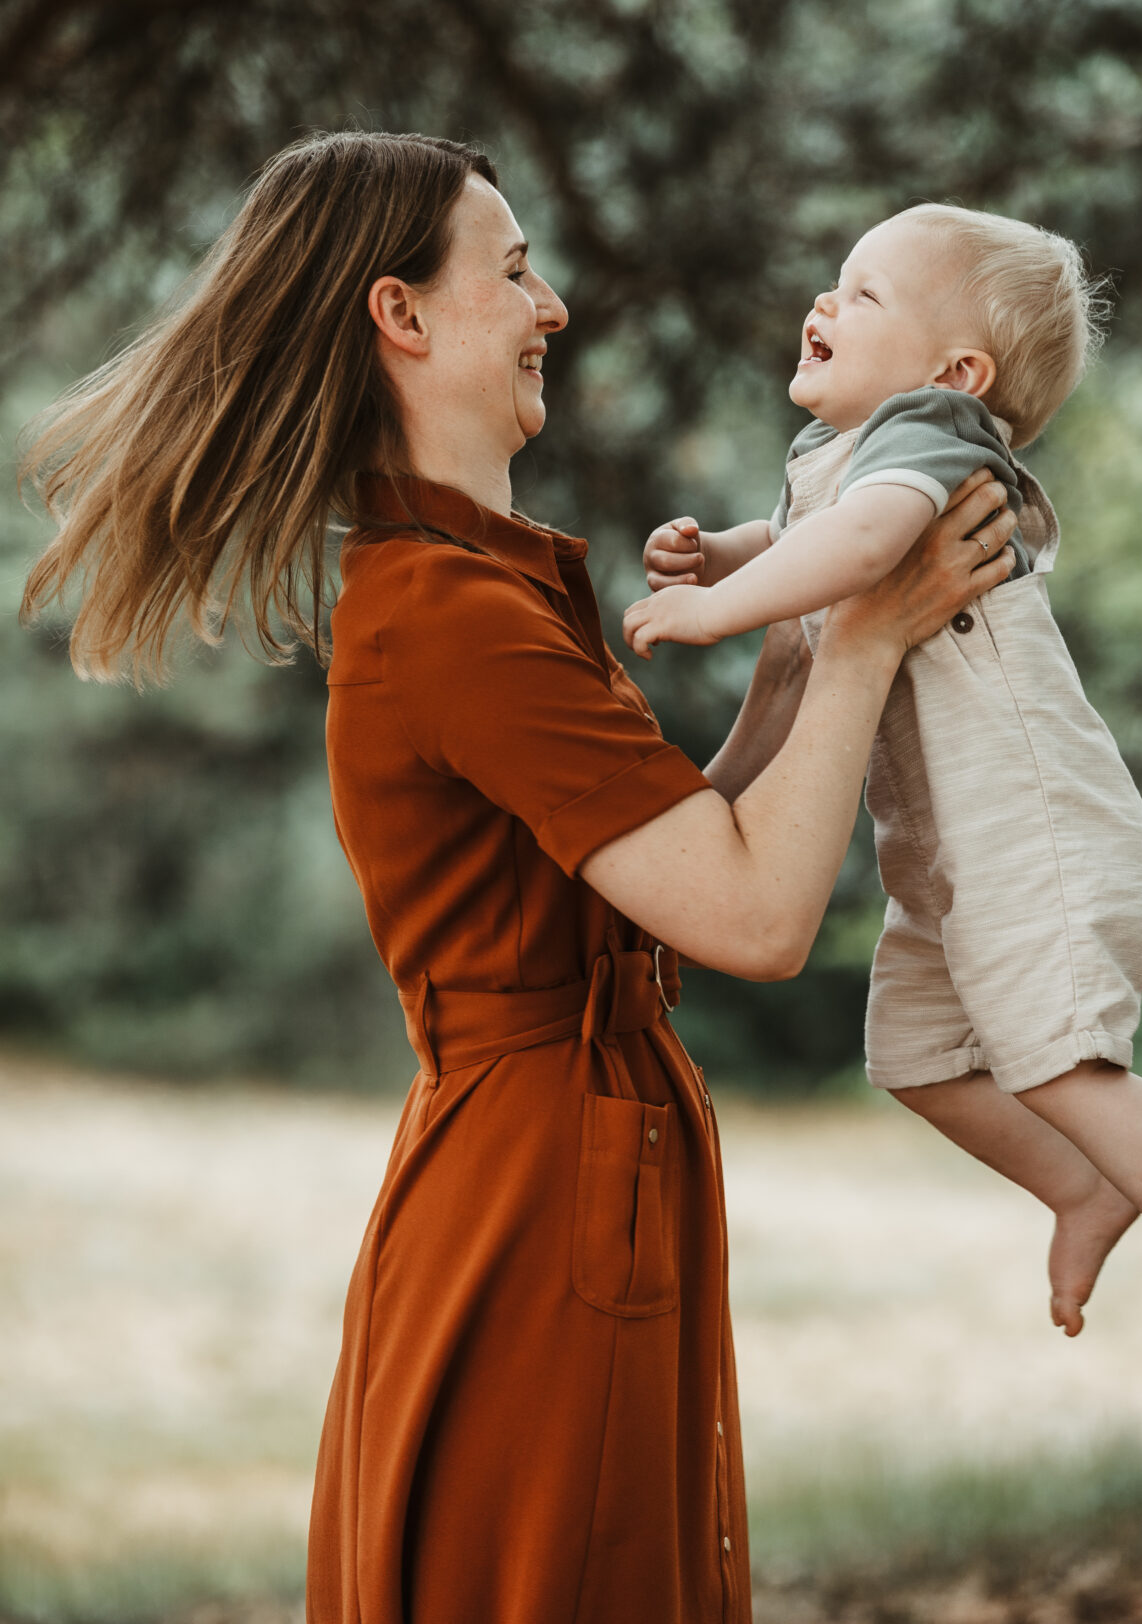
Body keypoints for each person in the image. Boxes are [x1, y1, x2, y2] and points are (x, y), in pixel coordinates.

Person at [20, 134, 1017, 1624]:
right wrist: (868, 639)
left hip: (565, 1157)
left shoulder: (491, 588)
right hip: (539, 1193)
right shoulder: (454, 619)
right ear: (401, 317)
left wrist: (813, 640)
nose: (551, 309)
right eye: (515, 269)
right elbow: (752, 917)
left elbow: (694, 853)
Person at [625, 202, 1142, 1340]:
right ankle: (1082, 1184)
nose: (825, 305)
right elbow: (810, 536)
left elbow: (863, 544)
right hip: (942, 855)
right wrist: (732, 550)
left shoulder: (931, 432)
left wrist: (713, 609)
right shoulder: (841, 456)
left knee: (1068, 1071)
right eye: (834, 284)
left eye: (864, 293)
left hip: (1031, 827)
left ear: (957, 369)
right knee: (920, 1058)